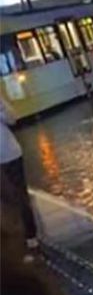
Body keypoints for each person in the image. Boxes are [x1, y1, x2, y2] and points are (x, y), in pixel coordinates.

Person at [1, 95, 38, 252]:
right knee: (7, 198)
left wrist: (1, 111)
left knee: (20, 196)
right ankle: (16, 233)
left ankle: (31, 237)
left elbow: (12, 118)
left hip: (10, 155)